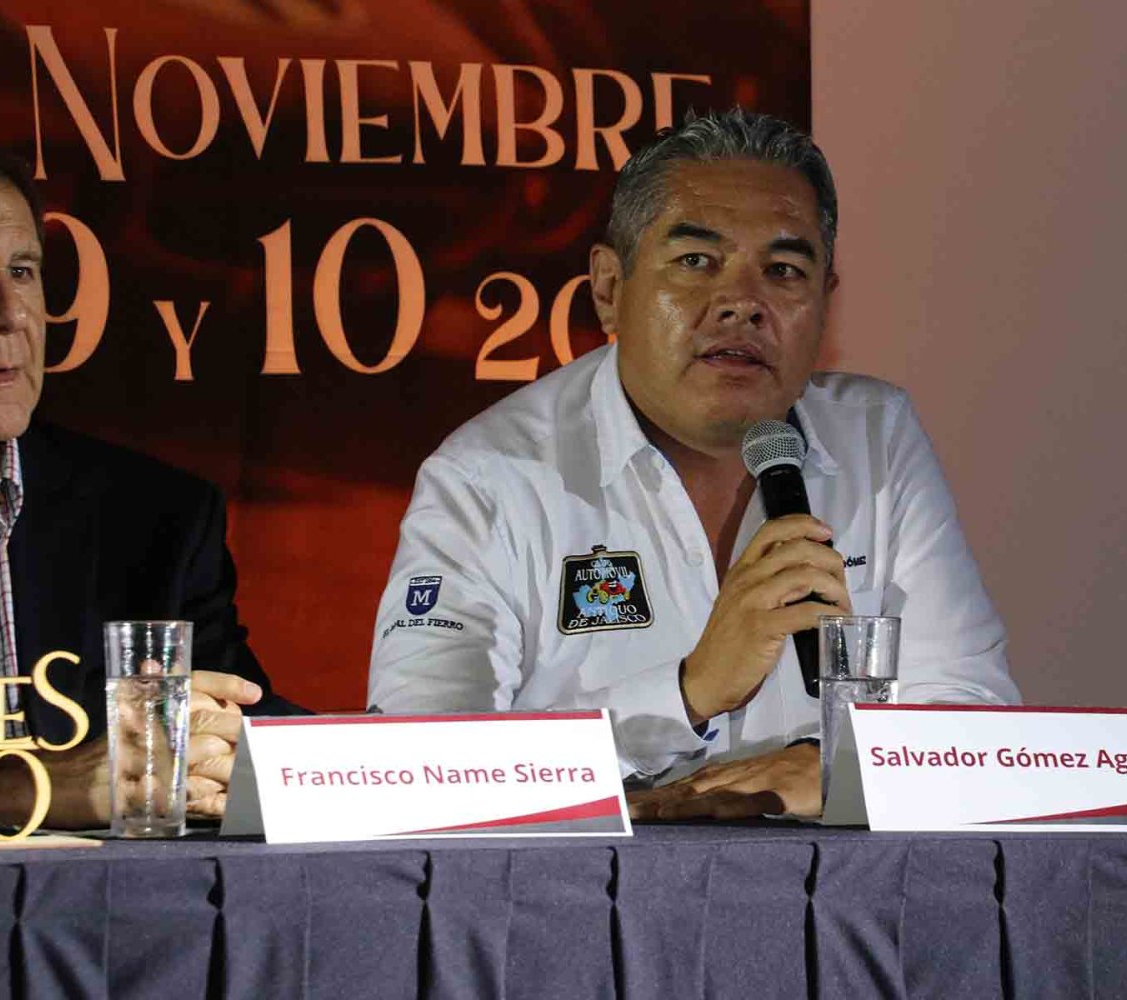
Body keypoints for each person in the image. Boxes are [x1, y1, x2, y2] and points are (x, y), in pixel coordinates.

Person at [368, 109, 1018, 818]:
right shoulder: (489, 478)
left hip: (829, 879)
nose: (742, 304)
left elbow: (973, 715)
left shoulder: (876, 439)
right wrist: (688, 693)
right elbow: (423, 768)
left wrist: (833, 766)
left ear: (824, 304)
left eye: (783, 270)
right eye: (696, 262)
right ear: (610, 288)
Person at [0, 129, 297, 830]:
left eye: (22, 270)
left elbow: (244, 736)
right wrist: (26, 789)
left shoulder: (152, 517)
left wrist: (403, 769)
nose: (7, 313)